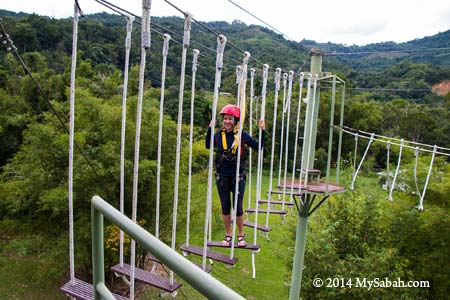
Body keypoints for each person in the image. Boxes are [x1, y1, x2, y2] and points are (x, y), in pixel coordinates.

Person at [205, 104, 265, 247]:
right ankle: (228, 235)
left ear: (235, 120)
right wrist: (209, 129)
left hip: (238, 176)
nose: (227, 121)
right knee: (225, 206)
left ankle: (241, 235)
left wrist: (262, 130)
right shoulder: (219, 135)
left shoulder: (241, 135)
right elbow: (208, 145)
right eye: (225, 119)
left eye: (230, 119)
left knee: (237, 206)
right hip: (222, 176)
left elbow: (259, 146)